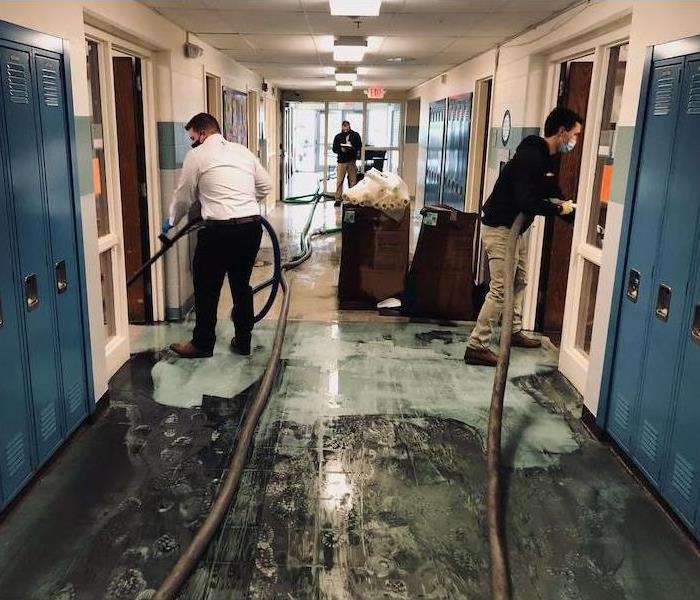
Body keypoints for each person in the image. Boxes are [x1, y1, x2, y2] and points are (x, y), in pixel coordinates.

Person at [464, 107, 582, 367]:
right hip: (501, 229)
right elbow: (526, 200)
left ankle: (513, 331)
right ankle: (476, 345)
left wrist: (571, 213)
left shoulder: (545, 158)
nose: (575, 141)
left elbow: (552, 192)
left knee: (520, 279)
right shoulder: (532, 157)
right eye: (574, 135)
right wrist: (557, 208)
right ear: (562, 132)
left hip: (516, 230)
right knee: (500, 288)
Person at [163, 112, 272, 359]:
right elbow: (265, 186)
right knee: (241, 286)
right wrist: (241, 202)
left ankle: (202, 344)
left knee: (206, 287)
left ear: (202, 133)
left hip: (218, 232)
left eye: (192, 138)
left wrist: (171, 220)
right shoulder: (242, 151)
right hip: (250, 228)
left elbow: (184, 195)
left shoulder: (197, 155)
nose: (192, 142)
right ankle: (243, 342)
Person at [332, 120, 362, 207]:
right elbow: (334, 149)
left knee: (352, 181)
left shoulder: (355, 135)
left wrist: (352, 148)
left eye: (346, 126)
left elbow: (359, 145)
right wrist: (341, 150)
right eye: (343, 126)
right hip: (341, 162)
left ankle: (352, 199)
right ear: (342, 127)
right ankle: (338, 199)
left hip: (351, 161)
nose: (345, 127)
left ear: (349, 126)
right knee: (339, 181)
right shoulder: (338, 136)